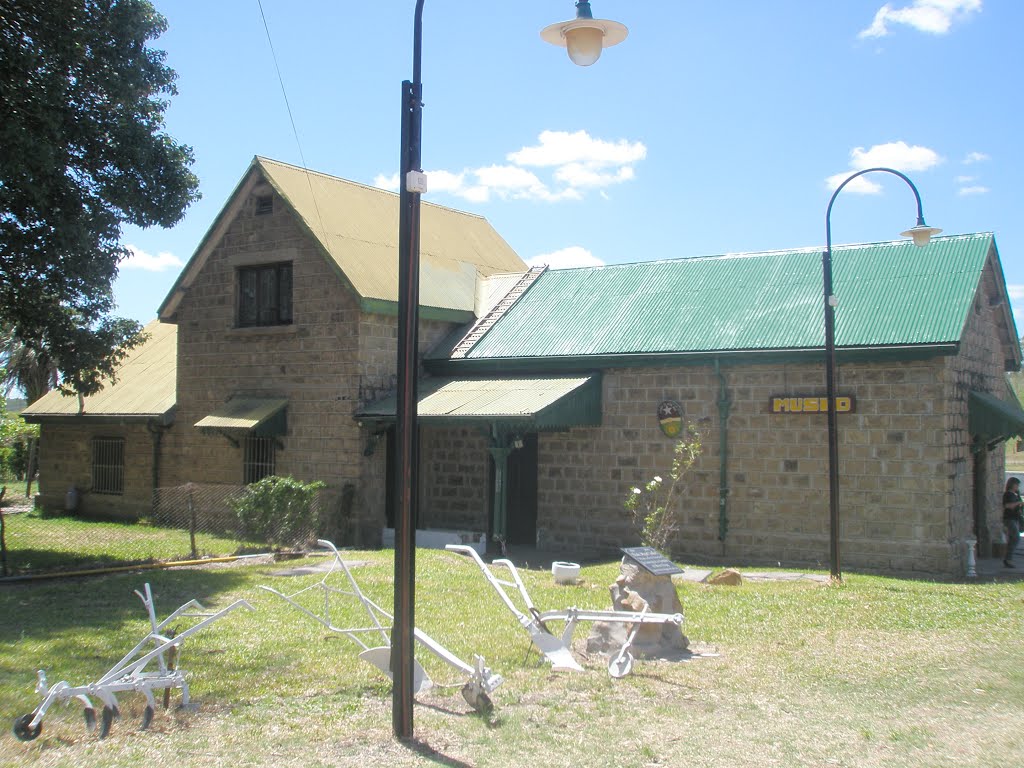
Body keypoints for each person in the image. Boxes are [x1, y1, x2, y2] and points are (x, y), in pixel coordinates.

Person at [1002, 477, 1023, 568]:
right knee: (1016, 538)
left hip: (1016, 518)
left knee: (1013, 538)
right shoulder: (1008, 494)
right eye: (1016, 484)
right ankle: (1008, 558)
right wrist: (1018, 503)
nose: (1017, 486)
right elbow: (1007, 506)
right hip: (1009, 518)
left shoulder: (1016, 494)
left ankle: (1008, 558)